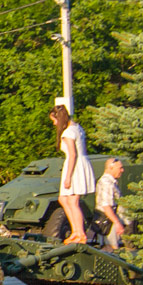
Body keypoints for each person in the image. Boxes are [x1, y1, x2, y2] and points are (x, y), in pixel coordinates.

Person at [50, 99, 95, 244]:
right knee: (64, 199)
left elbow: (72, 154)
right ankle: (76, 231)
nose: (54, 124)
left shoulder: (68, 133)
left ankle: (80, 232)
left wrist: (68, 177)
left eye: (54, 120)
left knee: (73, 201)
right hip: (80, 163)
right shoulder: (77, 128)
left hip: (74, 166)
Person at [95, 158, 131, 249]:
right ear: (111, 168)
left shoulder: (111, 182)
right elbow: (106, 205)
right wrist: (117, 223)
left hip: (112, 221)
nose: (122, 170)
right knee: (112, 250)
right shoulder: (107, 183)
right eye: (120, 168)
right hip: (109, 224)